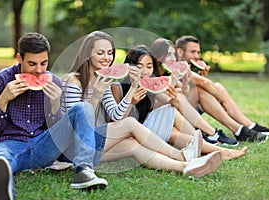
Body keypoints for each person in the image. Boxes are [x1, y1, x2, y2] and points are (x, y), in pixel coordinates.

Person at [61, 30, 222, 178]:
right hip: (76, 148)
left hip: (94, 147)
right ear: (87, 54)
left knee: (134, 146)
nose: (107, 57)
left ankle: (185, 166)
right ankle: (183, 155)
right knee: (130, 123)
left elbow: (117, 116)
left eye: (110, 53)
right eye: (100, 53)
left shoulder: (104, 80)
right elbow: (74, 126)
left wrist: (132, 90)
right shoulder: (73, 81)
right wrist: (95, 97)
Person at [0, 32, 110, 200]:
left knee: (83, 108)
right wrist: (3, 100)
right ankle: (4, 188)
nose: (38, 70)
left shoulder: (53, 82)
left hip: (43, 146)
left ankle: (84, 171)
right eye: (31, 63)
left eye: (43, 63)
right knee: (1, 158)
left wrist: (55, 105)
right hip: (9, 143)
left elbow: (57, 134)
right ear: (19, 58)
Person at [110, 44, 247, 160]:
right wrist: (131, 101)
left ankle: (210, 148)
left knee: (171, 113)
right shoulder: (118, 87)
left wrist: (174, 85)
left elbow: (170, 101)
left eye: (149, 66)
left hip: (151, 132)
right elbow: (116, 121)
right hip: (132, 135)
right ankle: (215, 146)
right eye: (139, 66)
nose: (145, 71)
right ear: (129, 66)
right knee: (172, 124)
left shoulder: (151, 86)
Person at [175, 35, 269, 142]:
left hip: (189, 106)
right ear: (180, 51)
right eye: (192, 52)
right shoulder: (177, 65)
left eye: (198, 52)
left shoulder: (186, 66)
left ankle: (249, 125)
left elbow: (195, 86)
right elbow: (204, 83)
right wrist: (223, 101)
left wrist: (201, 77)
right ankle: (239, 129)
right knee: (204, 90)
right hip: (179, 110)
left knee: (218, 87)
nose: (197, 56)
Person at [150, 38, 238, 146]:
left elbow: (183, 93)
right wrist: (174, 84)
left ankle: (208, 134)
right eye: (168, 54)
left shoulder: (168, 73)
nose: (172, 58)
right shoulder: (151, 74)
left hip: (172, 111)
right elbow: (163, 97)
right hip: (154, 115)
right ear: (158, 56)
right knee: (178, 96)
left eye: (173, 55)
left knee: (180, 94)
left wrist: (186, 80)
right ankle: (212, 133)